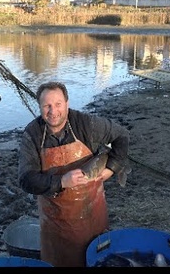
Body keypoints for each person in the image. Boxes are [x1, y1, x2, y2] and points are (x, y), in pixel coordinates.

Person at [18, 81, 130, 267]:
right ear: (40, 107)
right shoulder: (32, 134)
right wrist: (61, 181)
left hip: (93, 212)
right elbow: (26, 180)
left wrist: (112, 168)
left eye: (58, 104)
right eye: (47, 106)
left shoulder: (86, 124)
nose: (53, 111)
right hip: (55, 222)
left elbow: (122, 135)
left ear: (67, 104)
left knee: (97, 258)